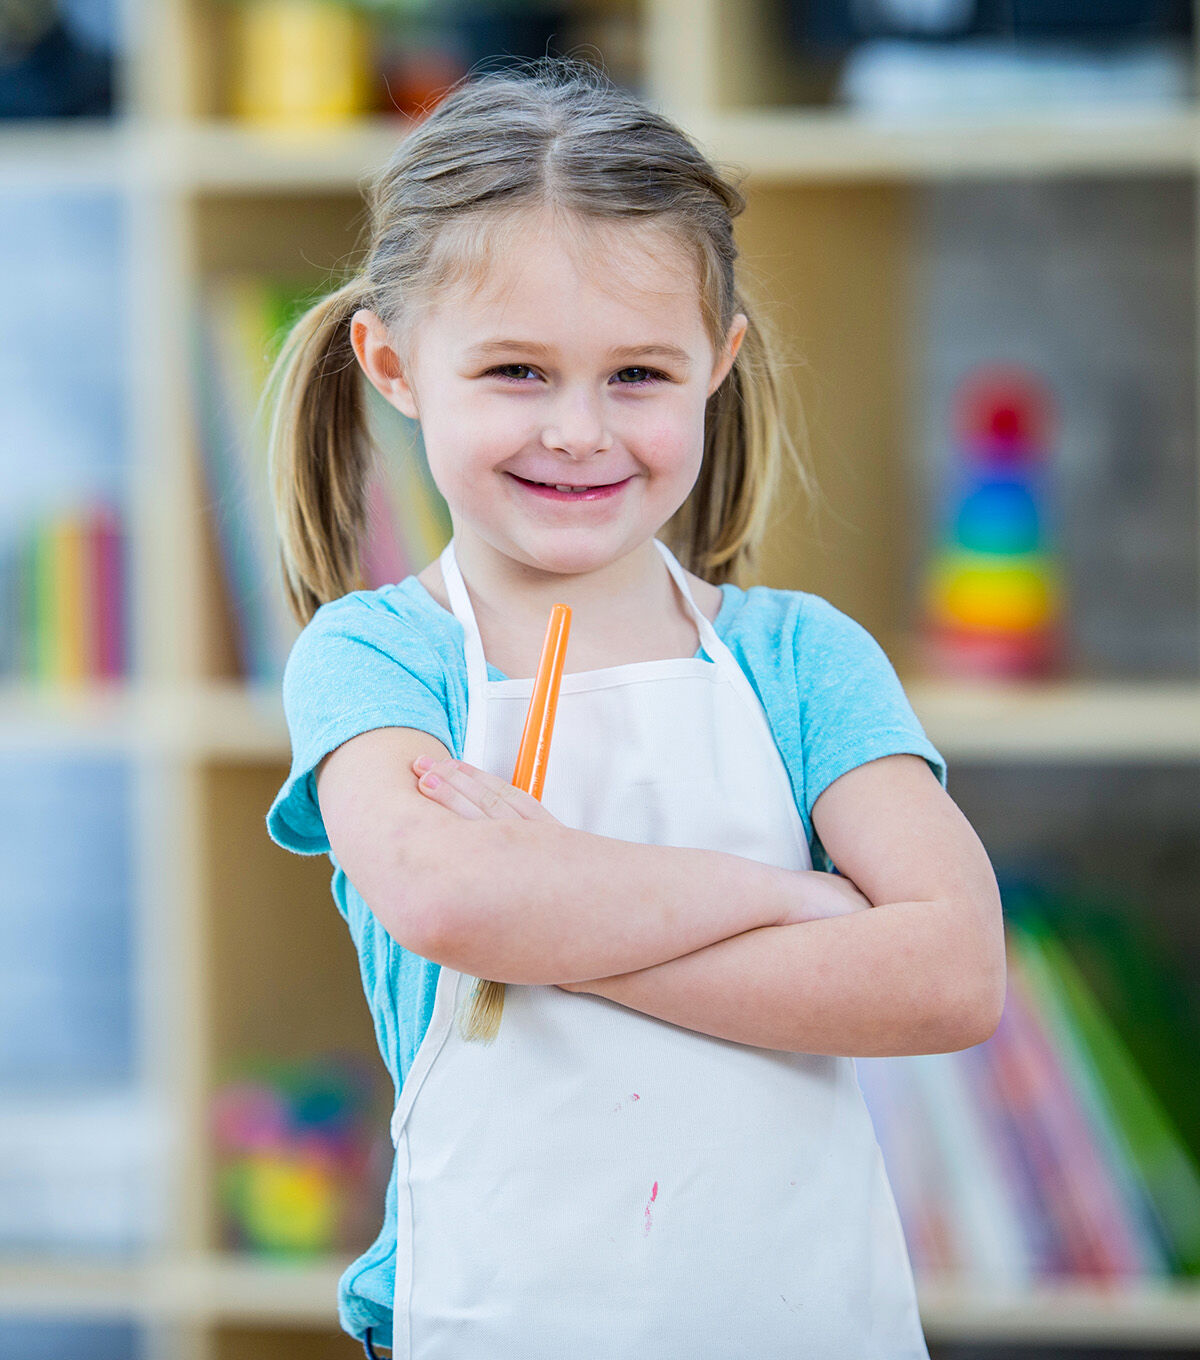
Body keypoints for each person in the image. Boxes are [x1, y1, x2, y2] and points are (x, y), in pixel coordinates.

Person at [264, 55, 1005, 1360]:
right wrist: (797, 902)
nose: (578, 432)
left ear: (716, 365)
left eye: (639, 377)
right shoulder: (375, 658)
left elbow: (950, 974)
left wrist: (557, 893)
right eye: (514, 371)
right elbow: (454, 905)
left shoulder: (802, 661)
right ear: (392, 364)